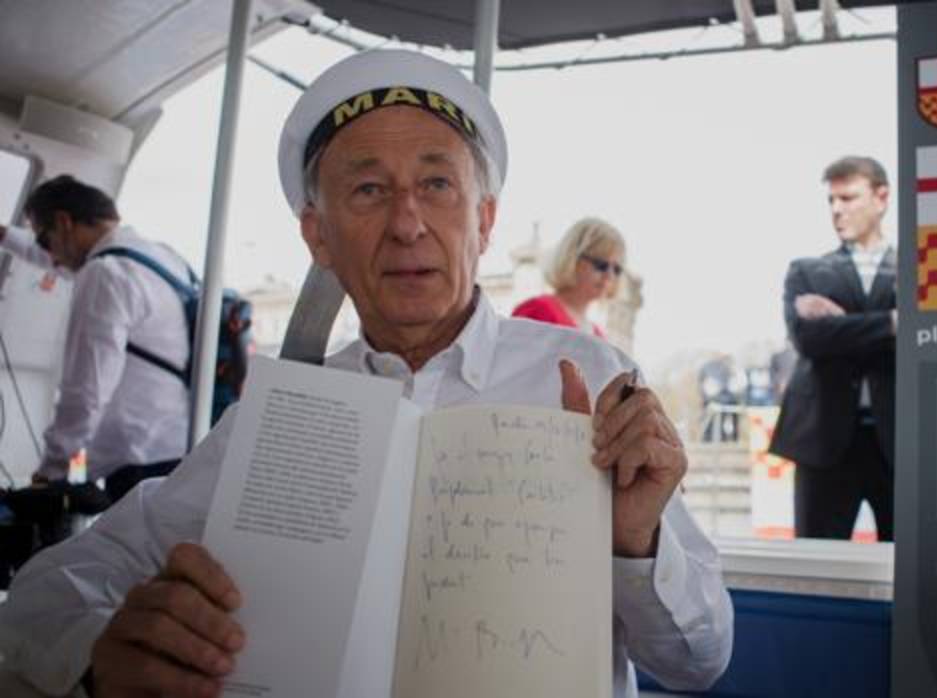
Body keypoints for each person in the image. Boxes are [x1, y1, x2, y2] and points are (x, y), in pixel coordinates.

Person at [0, 50, 733, 698]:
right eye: (368, 191)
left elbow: (700, 661)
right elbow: (42, 595)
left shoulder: (594, 379)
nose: (407, 223)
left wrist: (634, 542)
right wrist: (97, 655)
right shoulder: (282, 418)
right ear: (319, 237)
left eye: (437, 185)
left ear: (484, 220)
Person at [0, 176, 192, 503]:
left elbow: (86, 388)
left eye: (44, 241)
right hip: (177, 446)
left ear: (64, 223)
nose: (52, 258)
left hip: (137, 461)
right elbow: (58, 262)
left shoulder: (103, 274)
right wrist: (6, 236)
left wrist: (52, 469)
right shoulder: (158, 257)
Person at [769, 155, 897, 542]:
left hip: (899, 440)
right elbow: (810, 340)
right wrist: (892, 322)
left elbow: (926, 334)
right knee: (816, 566)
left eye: (848, 198)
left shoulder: (921, 268)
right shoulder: (806, 270)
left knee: (908, 567)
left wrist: (842, 328)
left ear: (881, 197)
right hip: (822, 440)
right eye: (831, 201)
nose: (837, 210)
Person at [512, 216, 625, 338]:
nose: (609, 275)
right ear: (573, 258)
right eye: (601, 265)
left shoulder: (598, 334)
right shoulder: (538, 310)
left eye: (616, 269)